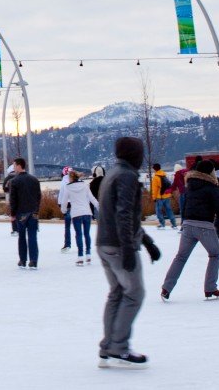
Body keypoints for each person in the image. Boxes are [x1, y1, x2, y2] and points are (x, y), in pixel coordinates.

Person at [96, 137, 160, 369]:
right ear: (135, 154)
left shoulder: (113, 174)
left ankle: (107, 346)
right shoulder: (127, 176)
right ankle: (119, 347)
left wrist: (147, 241)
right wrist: (129, 249)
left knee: (117, 293)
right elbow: (123, 214)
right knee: (134, 293)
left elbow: (122, 214)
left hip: (104, 243)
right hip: (118, 246)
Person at [161, 160, 219, 301]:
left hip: (188, 225)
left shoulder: (190, 185)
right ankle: (210, 288)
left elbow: (185, 205)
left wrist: (184, 224)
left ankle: (166, 288)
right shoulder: (212, 187)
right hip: (204, 226)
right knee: (215, 255)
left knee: (180, 257)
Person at [9, 158, 42, 269]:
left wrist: (12, 214)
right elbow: (38, 196)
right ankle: (33, 261)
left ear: (19, 166)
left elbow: (13, 200)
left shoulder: (14, 181)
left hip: (21, 213)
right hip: (33, 212)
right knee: (33, 236)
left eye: (14, 165)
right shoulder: (34, 180)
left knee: (22, 237)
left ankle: (23, 260)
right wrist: (37, 209)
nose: (13, 167)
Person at [66, 170, 99, 266]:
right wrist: (99, 206)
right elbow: (92, 198)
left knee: (79, 234)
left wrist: (64, 210)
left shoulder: (68, 187)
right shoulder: (85, 185)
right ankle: (88, 254)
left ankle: (80, 256)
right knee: (86, 234)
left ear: (71, 178)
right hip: (87, 212)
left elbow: (64, 201)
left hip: (76, 213)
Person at [151, 164, 177, 230]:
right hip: (167, 196)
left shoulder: (156, 177)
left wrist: (154, 198)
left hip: (159, 197)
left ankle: (162, 224)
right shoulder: (164, 175)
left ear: (154, 169)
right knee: (169, 210)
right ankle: (174, 224)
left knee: (158, 211)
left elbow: (155, 189)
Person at [58, 166, 73, 252]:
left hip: (67, 206)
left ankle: (67, 244)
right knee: (79, 227)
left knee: (67, 227)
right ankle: (84, 245)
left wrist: (60, 205)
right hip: (76, 206)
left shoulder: (63, 182)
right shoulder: (76, 181)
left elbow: (61, 195)